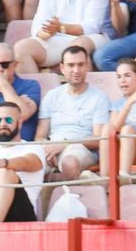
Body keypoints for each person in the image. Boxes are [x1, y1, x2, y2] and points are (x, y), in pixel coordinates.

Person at [37, 44, 107, 183]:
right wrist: (48, 148)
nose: (76, 70)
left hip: (80, 148)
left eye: (81, 65)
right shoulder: (52, 96)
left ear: (87, 66)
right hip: (51, 146)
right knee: (25, 164)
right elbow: (39, 136)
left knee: (69, 163)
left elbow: (99, 140)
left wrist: (65, 144)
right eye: (71, 65)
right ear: (62, 68)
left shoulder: (99, 97)